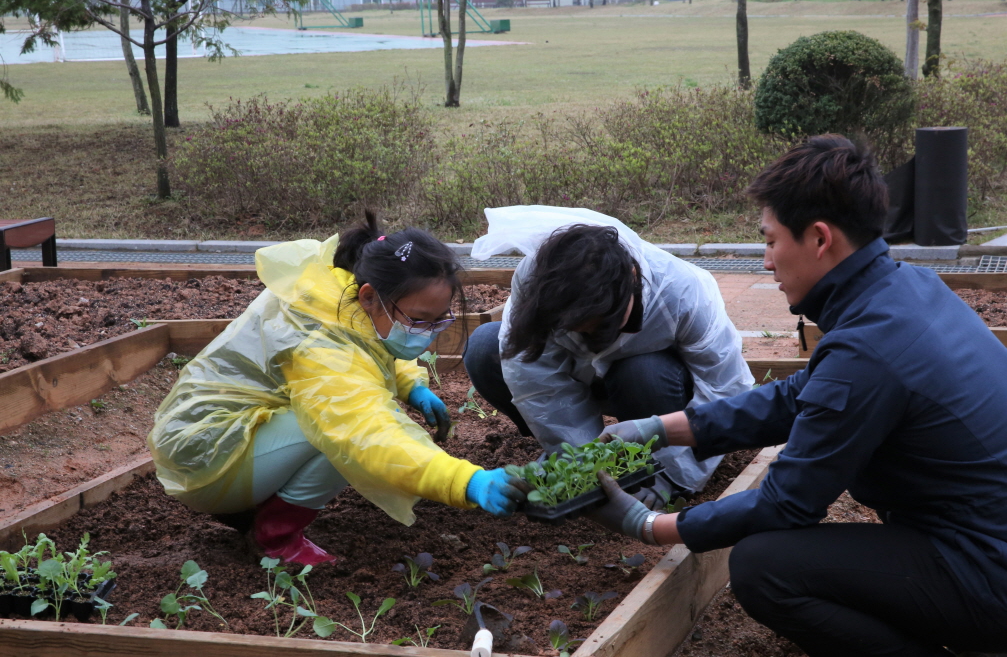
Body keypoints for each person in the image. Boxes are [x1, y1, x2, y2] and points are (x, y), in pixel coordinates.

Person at [592, 135, 1007, 657]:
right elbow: (798, 397)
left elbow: (787, 503)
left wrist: (649, 524)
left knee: (765, 568)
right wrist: (660, 429)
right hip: (985, 536)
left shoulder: (869, 348)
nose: (765, 262)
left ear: (818, 238)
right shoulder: (907, 290)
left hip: (988, 571)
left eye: (770, 241)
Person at [147, 213, 528, 566]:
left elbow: (371, 342)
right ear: (367, 296)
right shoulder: (321, 343)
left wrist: (411, 385)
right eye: (418, 320)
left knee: (333, 421)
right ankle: (274, 537)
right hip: (206, 458)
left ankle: (252, 503)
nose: (426, 334)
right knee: (337, 436)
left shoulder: (335, 291)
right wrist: (467, 481)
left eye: (436, 320)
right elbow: (369, 435)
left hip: (219, 435)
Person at [463, 206, 754, 506]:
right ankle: (570, 452)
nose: (595, 337)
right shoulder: (539, 286)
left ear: (632, 277)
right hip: (586, 378)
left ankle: (656, 468)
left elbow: (724, 388)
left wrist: (674, 477)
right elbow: (537, 383)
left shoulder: (682, 292)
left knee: (643, 372)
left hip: (655, 389)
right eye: (581, 329)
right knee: (486, 346)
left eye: (604, 324)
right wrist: (584, 462)